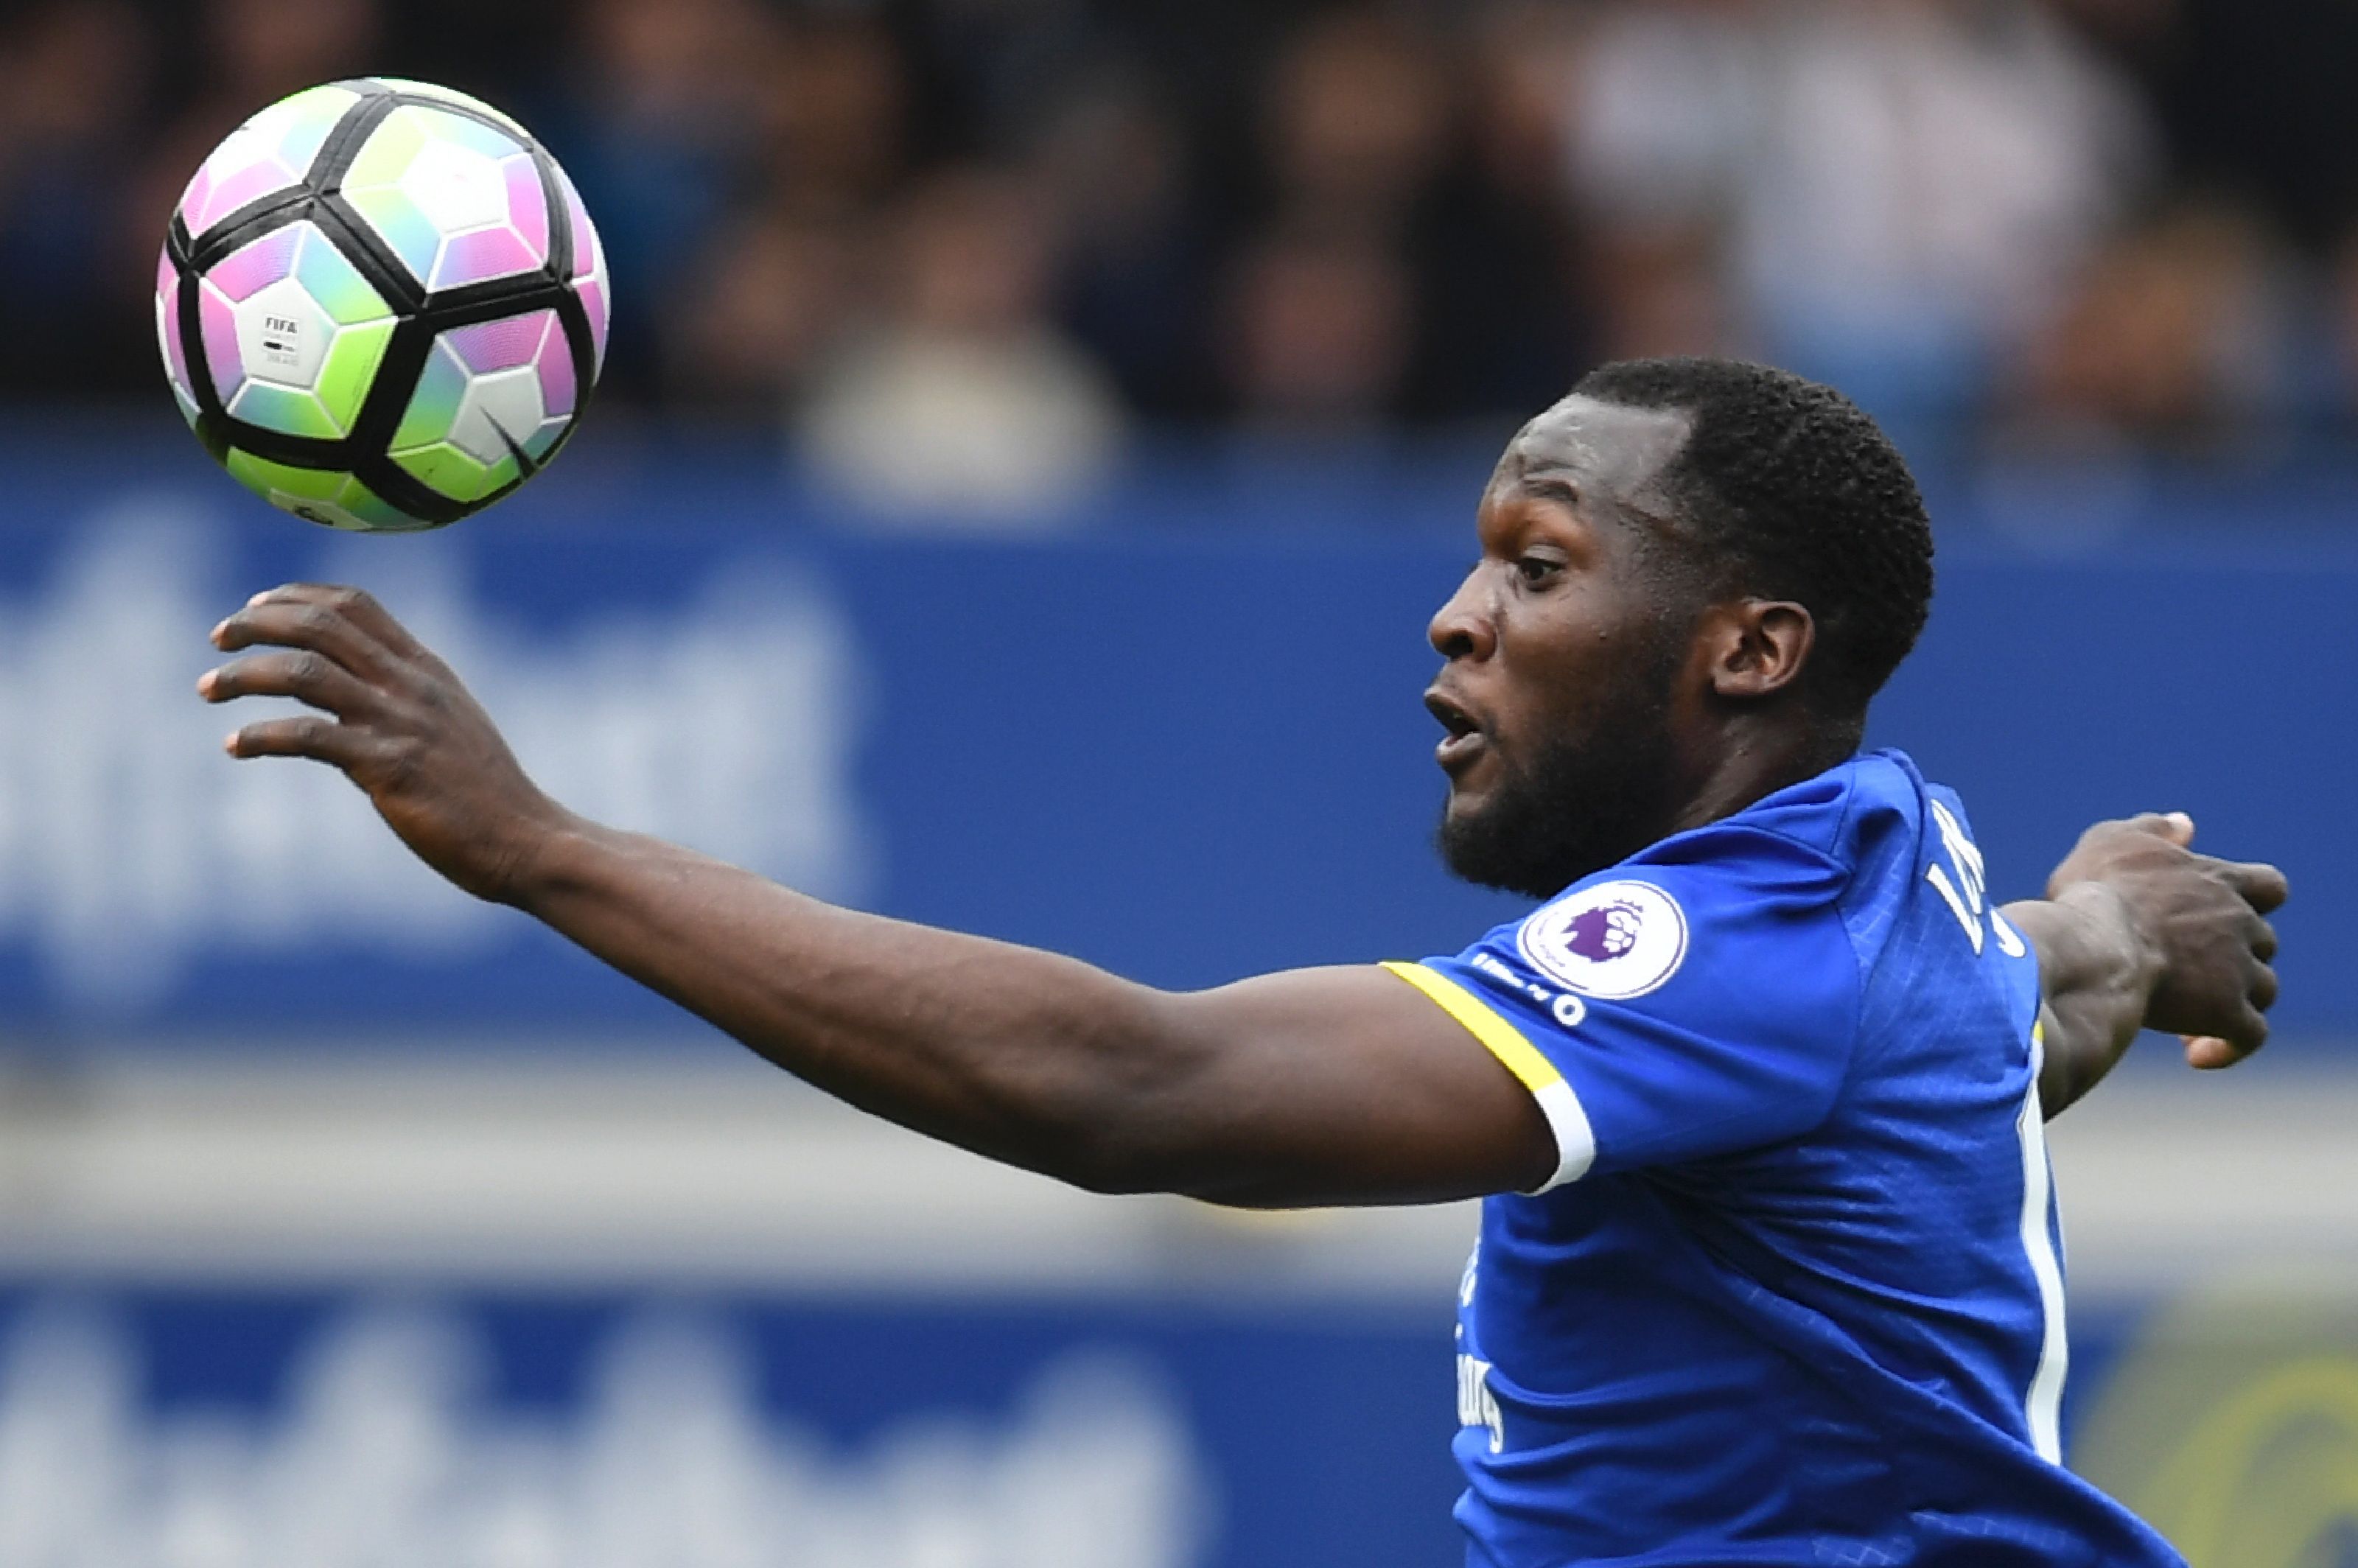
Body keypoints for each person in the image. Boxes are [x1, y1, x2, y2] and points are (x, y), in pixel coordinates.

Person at [195, 357, 2282, 1565]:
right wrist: (2122, 926)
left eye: (1541, 568)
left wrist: (547, 852)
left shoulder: (1746, 951)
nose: (1459, 619)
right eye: (1477, 556)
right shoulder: (1889, 874)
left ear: (1751, 650)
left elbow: (1139, 1091)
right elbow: (2031, 999)